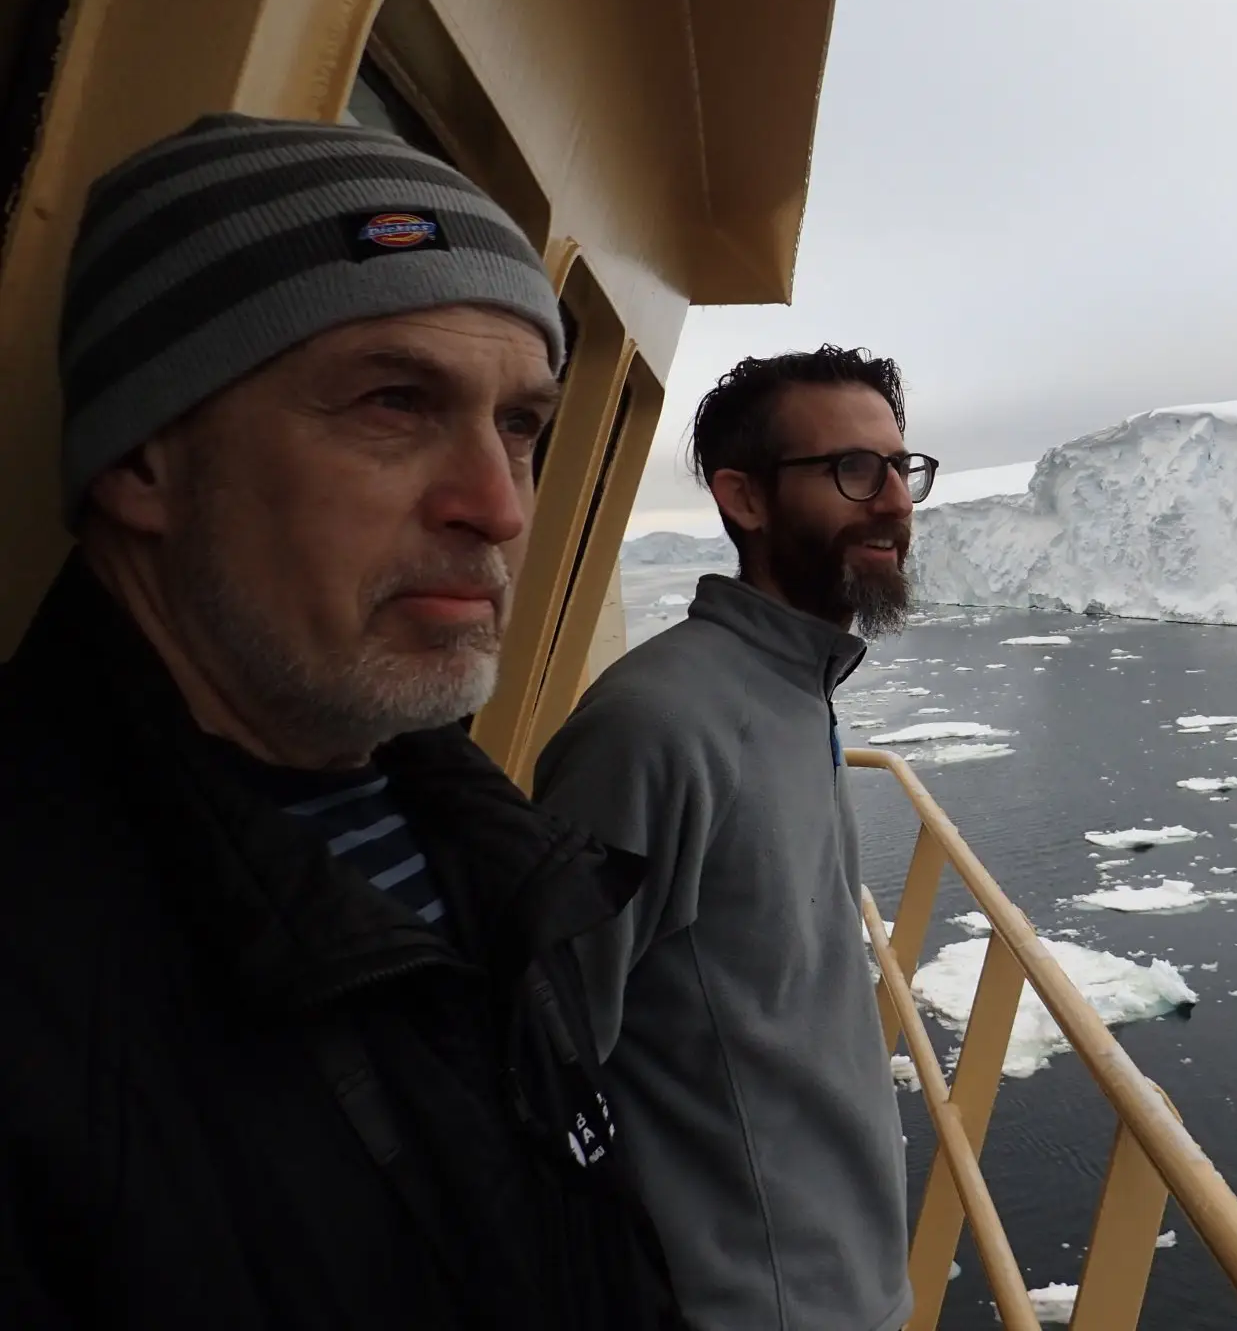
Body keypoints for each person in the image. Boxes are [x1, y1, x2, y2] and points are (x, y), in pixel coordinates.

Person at [0, 113, 679, 1329]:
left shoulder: (472, 838)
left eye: (520, 425)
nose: (497, 506)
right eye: (391, 400)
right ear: (143, 459)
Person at [534, 347, 937, 1331]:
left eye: (901, 466)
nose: (892, 501)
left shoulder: (797, 693)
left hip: (838, 1287)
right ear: (743, 499)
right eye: (852, 469)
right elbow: (544, 1059)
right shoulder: (657, 727)